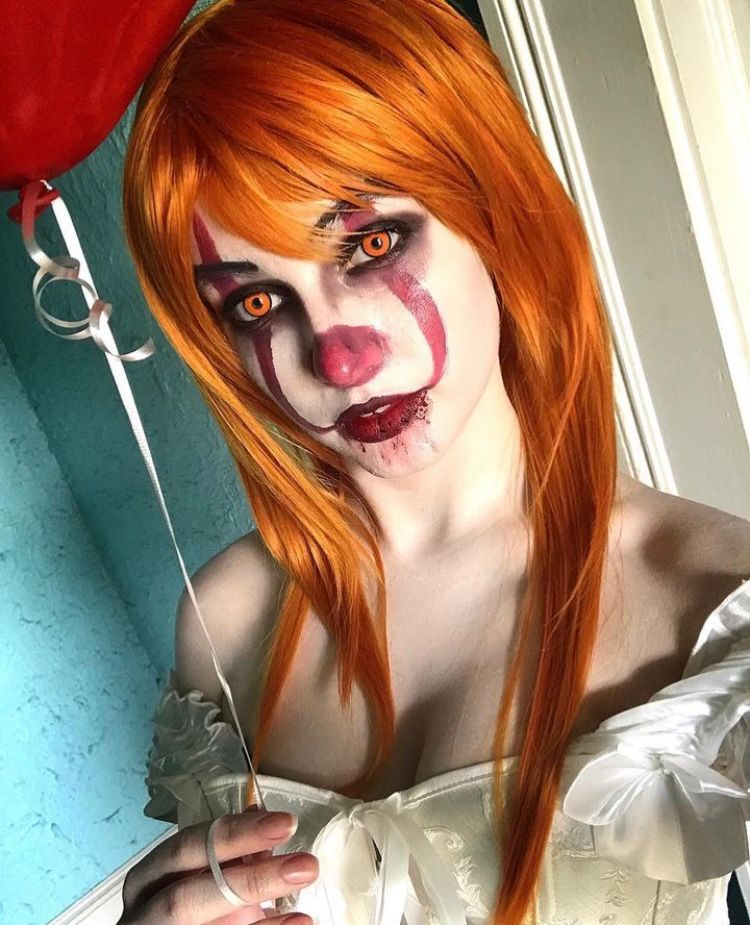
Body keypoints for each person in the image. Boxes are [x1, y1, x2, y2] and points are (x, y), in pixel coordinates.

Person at [117, 0, 750, 922]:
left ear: (489, 212)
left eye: (371, 244)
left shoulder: (715, 607)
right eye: (256, 303)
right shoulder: (230, 616)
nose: (338, 356)